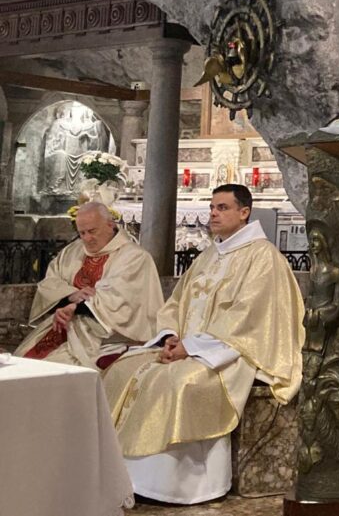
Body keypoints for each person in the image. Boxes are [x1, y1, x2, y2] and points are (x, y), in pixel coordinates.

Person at [103, 184, 304, 504]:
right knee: (122, 369)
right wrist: (170, 337)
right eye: (212, 207)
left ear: (244, 212)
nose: (213, 213)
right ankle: (126, 475)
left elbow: (249, 317)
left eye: (222, 208)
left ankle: (173, 486)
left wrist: (193, 347)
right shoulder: (210, 254)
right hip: (190, 347)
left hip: (232, 352)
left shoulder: (263, 257)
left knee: (179, 383)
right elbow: (177, 302)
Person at [15, 201, 163, 369]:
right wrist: (70, 295)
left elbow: (118, 298)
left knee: (57, 368)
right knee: (21, 359)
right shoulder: (72, 251)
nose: (86, 238)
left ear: (110, 225)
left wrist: (75, 307)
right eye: (82, 233)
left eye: (92, 231)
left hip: (108, 337)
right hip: (63, 326)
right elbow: (49, 282)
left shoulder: (134, 257)